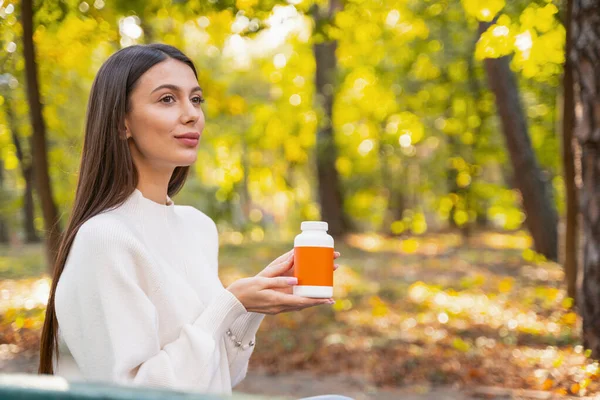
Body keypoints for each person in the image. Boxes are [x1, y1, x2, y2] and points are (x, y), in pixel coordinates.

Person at [37, 43, 343, 397]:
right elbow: (132, 394)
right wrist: (231, 304)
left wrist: (248, 308)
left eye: (196, 100)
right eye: (167, 99)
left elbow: (222, 377)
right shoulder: (105, 238)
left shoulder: (198, 227)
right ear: (122, 123)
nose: (191, 114)